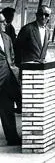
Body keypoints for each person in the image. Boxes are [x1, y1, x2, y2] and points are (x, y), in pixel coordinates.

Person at [0, 13, 21, 146]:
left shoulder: (7, 37)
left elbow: (11, 56)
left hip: (8, 78)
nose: (5, 24)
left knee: (7, 109)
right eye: (2, 22)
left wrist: (14, 70)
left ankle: (12, 138)